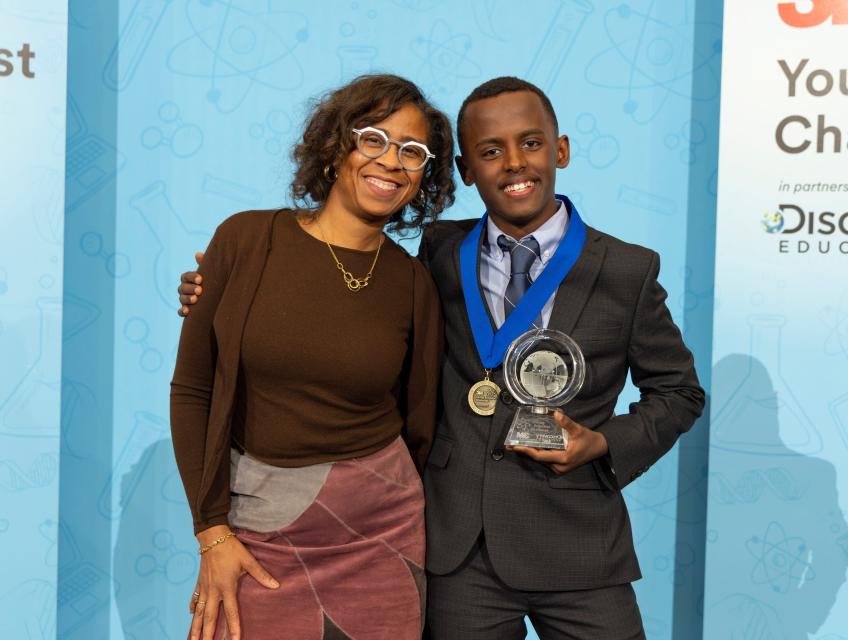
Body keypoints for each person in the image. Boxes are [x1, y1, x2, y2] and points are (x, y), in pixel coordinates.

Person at [180, 76, 705, 639]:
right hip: (457, 549)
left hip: (577, 542)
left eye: (530, 143)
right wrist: (213, 293)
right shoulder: (437, 253)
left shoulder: (627, 269)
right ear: (465, 170)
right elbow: (326, 311)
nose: (512, 163)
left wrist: (602, 443)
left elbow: (679, 393)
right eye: (489, 151)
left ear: (561, 150)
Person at [169, 74, 453, 640]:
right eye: (374, 139)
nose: (392, 161)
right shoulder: (247, 240)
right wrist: (212, 531)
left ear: (425, 176)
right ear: (336, 145)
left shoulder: (414, 283)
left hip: (382, 534)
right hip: (254, 528)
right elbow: (193, 390)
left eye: (412, 151)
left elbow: (421, 422)